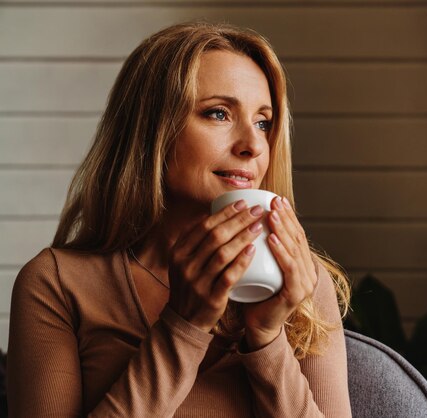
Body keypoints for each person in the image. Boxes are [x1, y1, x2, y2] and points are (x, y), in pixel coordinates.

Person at [7, 22, 352, 417]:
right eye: (219, 113)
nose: (254, 145)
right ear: (152, 129)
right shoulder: (56, 284)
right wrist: (184, 327)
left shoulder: (303, 284)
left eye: (263, 122)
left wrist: (268, 338)